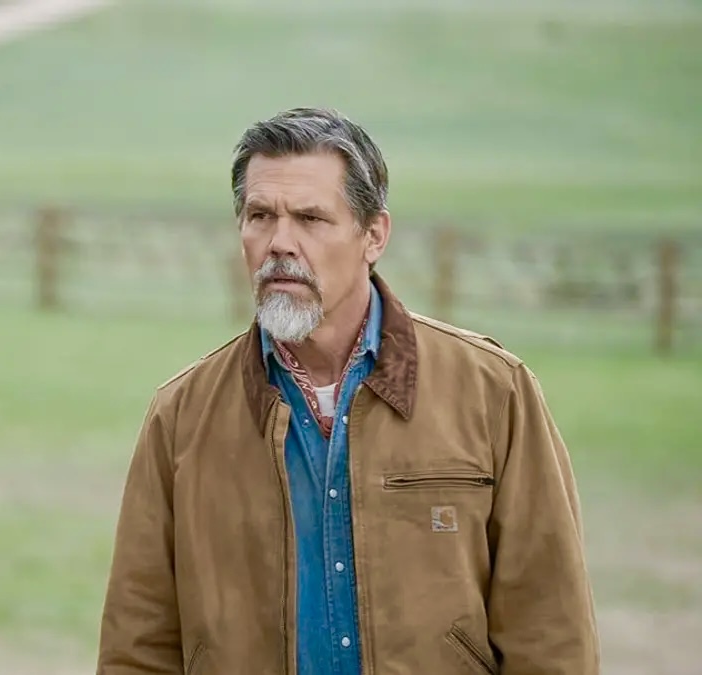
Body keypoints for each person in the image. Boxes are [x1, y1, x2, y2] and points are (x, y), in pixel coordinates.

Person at [95, 107, 599, 674]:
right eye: (260, 215)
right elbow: (137, 647)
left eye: (310, 218)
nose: (279, 242)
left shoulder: (493, 392)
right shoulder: (180, 416)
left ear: (374, 234)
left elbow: (550, 631)